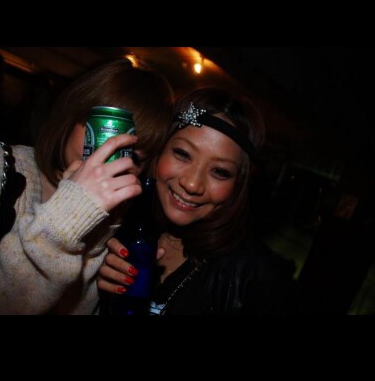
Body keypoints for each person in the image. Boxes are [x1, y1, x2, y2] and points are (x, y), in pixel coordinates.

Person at [0, 58, 174, 314]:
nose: (106, 157)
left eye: (132, 156)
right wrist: (70, 213)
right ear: (73, 115)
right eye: (103, 135)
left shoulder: (121, 227)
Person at [98, 87, 300, 315]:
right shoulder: (113, 222)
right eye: (183, 154)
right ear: (159, 152)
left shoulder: (255, 279)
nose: (192, 184)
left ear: (238, 185)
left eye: (220, 172)